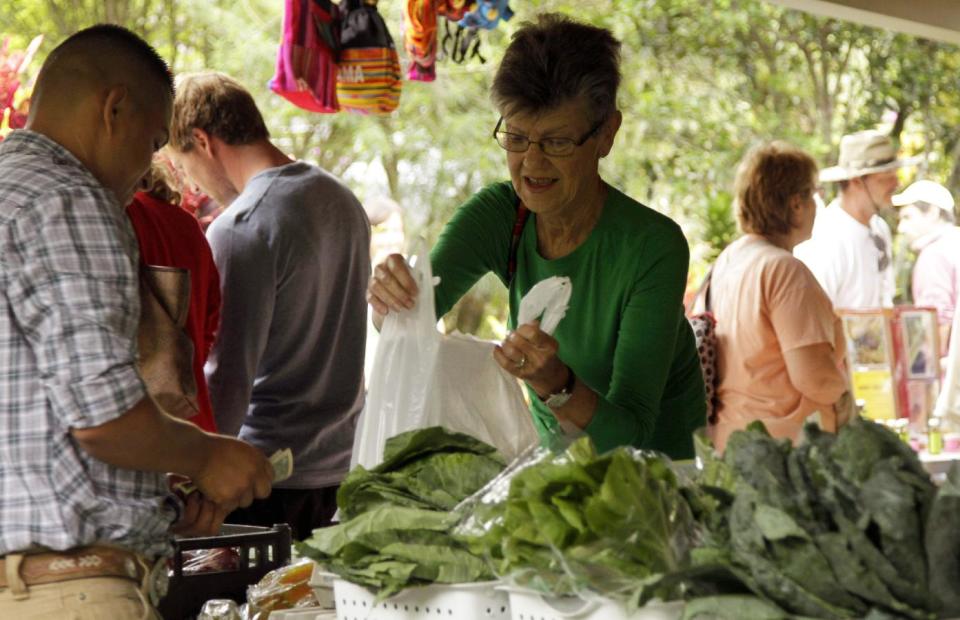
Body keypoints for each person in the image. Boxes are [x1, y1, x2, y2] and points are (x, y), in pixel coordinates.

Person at [0, 25, 272, 618]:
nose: (144, 173)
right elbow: (100, 417)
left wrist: (162, 480)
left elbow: (46, 426)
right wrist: (208, 456)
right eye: (151, 143)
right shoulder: (69, 198)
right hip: (68, 590)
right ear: (113, 108)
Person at [367, 13, 706, 459]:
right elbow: (403, 323)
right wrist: (391, 299)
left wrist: (557, 385)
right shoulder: (499, 216)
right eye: (517, 137)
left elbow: (632, 435)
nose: (531, 163)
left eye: (557, 142)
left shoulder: (652, 247)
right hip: (562, 470)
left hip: (659, 486)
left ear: (606, 134)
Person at [167, 72, 371, 540]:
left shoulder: (242, 226)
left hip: (262, 481)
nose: (192, 185)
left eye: (184, 166)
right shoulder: (342, 200)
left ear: (202, 141)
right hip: (341, 469)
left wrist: (197, 480)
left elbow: (227, 378)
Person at [709, 142, 852, 452]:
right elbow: (814, 377)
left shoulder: (729, 261)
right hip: (783, 452)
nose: (818, 206)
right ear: (796, 204)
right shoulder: (785, 271)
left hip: (732, 442)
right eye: (814, 195)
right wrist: (846, 398)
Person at [126, 158, 221, 432]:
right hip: (192, 425)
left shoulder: (109, 218)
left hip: (135, 433)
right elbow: (209, 327)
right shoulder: (186, 224)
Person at [794, 129, 917, 309]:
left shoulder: (879, 228)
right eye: (886, 177)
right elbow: (813, 313)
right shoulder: (826, 238)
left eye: (895, 174)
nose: (896, 183)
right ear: (857, 181)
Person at [893, 180, 960, 354]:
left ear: (933, 212)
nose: (901, 228)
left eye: (908, 217)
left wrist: (931, 373)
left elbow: (937, 321)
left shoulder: (934, 254)